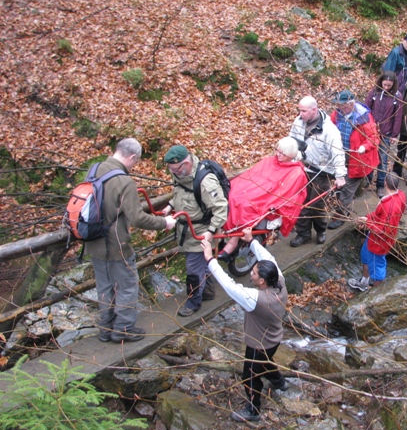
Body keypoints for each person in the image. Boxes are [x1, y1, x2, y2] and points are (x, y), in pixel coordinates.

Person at [87, 138, 177, 343]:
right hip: (117, 244)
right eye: (135, 162)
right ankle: (123, 329)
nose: (134, 165)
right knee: (127, 286)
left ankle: (105, 329)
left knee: (105, 287)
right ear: (132, 157)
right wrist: (165, 223)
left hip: (93, 242)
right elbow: (137, 217)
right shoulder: (123, 181)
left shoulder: (94, 170)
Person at [201, 228, 288, 422]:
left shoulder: (256, 299)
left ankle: (253, 409)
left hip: (259, 344)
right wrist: (251, 241)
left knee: (249, 375)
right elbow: (268, 257)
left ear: (262, 280)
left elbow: (229, 286)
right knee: (266, 362)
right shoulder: (279, 281)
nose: (252, 273)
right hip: (274, 339)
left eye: (255, 273)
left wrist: (209, 259)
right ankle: (279, 382)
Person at [162, 145, 228, 317]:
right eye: (171, 169)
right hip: (186, 229)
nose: (173, 173)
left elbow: (221, 208)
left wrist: (211, 231)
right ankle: (207, 291)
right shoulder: (180, 174)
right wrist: (170, 206)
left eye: (175, 169)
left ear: (186, 163)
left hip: (201, 230)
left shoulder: (205, 181)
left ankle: (193, 303)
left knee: (193, 269)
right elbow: (180, 192)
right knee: (202, 264)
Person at [218, 137, 307, 259]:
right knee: (232, 194)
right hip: (257, 190)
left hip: (270, 199)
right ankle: (222, 230)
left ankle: (233, 241)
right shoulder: (271, 160)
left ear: (291, 154)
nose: (278, 155)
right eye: (277, 151)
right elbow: (254, 174)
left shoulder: (297, 173)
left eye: (282, 153)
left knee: (246, 206)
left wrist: (271, 203)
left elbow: (287, 195)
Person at [288, 96, 347, 247]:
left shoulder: (329, 130)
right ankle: (304, 234)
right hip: (302, 168)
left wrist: (340, 175)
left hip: (321, 172)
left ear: (314, 110)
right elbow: (292, 141)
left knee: (316, 205)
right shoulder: (298, 122)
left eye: (304, 111)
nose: (301, 114)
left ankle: (320, 231)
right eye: (299, 110)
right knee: (301, 203)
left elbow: (337, 152)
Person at [327, 90, 379, 230]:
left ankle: (341, 216)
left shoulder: (363, 118)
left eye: (342, 105)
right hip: (341, 154)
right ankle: (343, 204)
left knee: (348, 189)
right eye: (338, 105)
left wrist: (364, 146)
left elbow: (373, 138)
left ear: (351, 104)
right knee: (340, 183)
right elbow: (328, 128)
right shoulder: (337, 114)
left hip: (358, 159)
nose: (339, 108)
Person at [348, 174, 407, 292]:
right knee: (365, 255)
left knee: (377, 269)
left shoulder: (390, 206)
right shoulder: (400, 195)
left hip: (379, 242)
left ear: (385, 182)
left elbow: (383, 230)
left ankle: (376, 295)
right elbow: (380, 217)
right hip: (374, 236)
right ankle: (364, 282)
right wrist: (367, 218)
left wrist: (368, 223)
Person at [365, 71, 403, 198]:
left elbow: (398, 116)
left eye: (389, 85)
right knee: (370, 156)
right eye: (384, 85)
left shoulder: (397, 96)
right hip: (372, 131)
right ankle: (368, 179)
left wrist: (394, 134)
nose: (386, 88)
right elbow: (366, 109)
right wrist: (367, 126)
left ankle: (380, 185)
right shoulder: (374, 93)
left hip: (386, 133)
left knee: (383, 160)